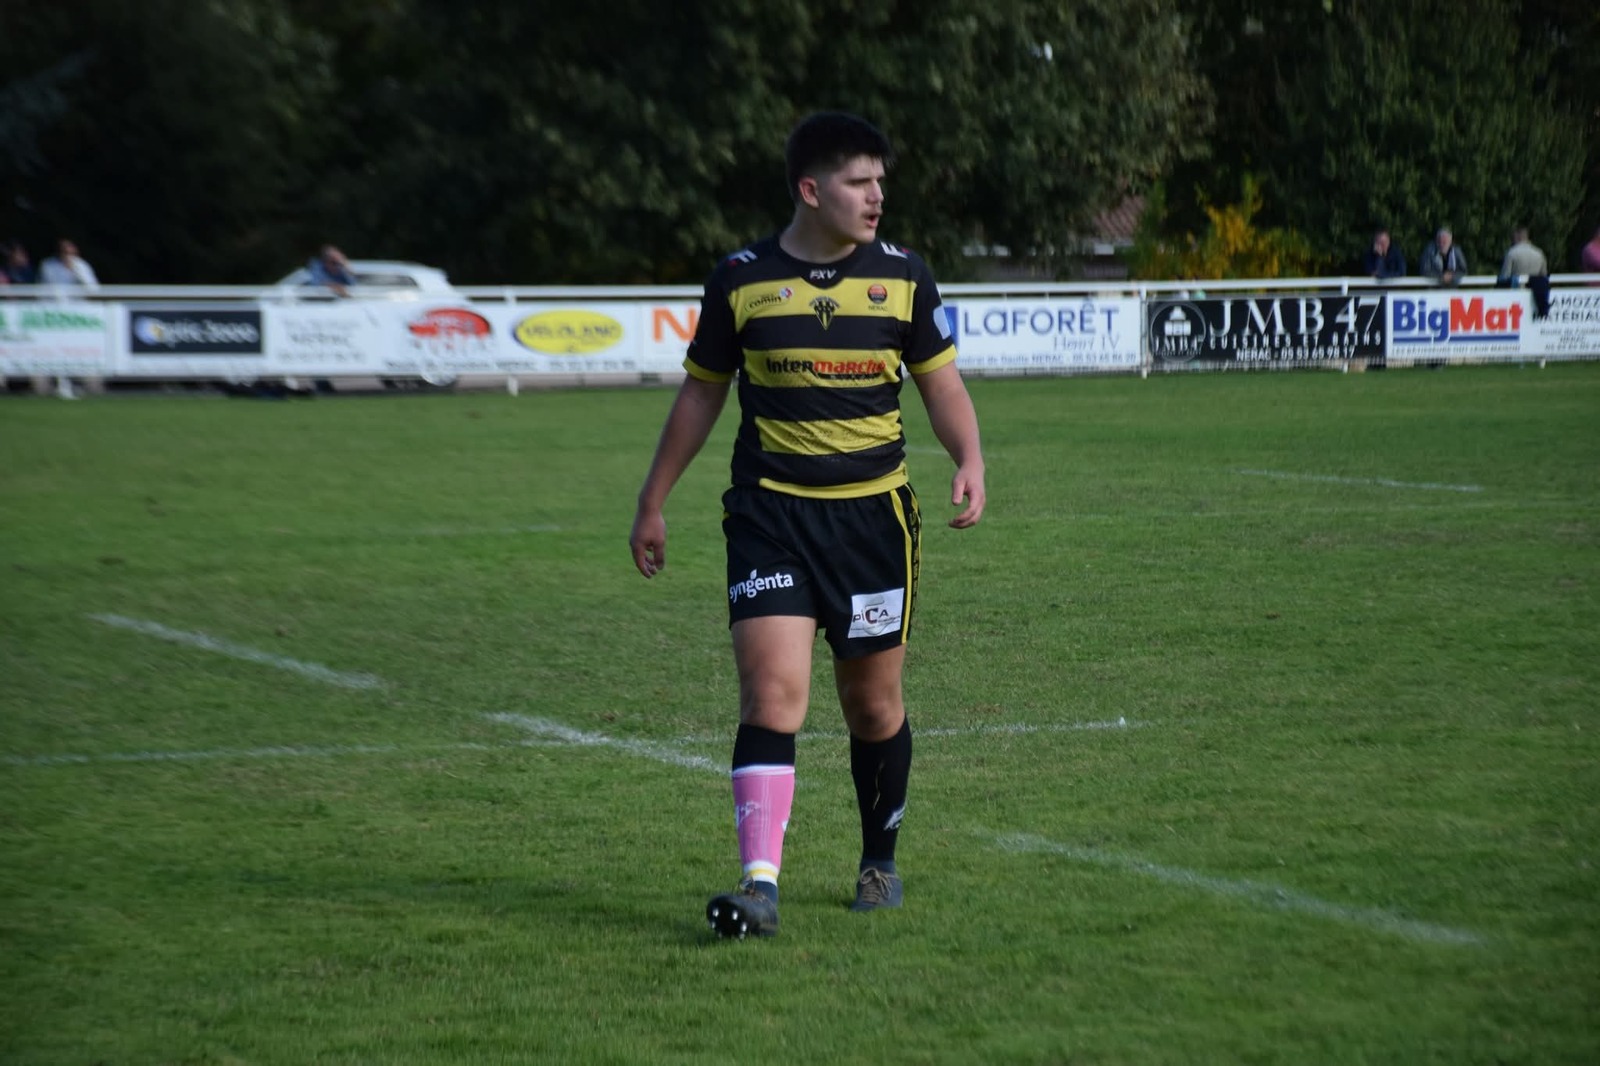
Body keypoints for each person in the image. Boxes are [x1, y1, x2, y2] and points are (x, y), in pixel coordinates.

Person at [629, 112, 986, 940]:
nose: (877, 196)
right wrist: (653, 498)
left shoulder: (904, 277)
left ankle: (878, 861)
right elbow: (702, 393)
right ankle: (759, 886)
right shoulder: (741, 280)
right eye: (860, 182)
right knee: (771, 693)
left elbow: (941, 385)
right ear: (811, 190)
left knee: (873, 705)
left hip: (873, 522)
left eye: (880, 182)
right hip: (770, 516)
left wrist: (969, 457)